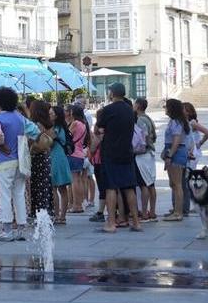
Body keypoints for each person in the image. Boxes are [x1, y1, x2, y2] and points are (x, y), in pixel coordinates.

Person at [95, 83, 140, 232]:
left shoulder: (108, 110)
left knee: (111, 187)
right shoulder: (130, 110)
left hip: (110, 152)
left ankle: (111, 223)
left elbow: (98, 128)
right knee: (129, 187)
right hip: (127, 152)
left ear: (112, 94)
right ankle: (136, 222)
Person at [0, 87, 28, 241]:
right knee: (19, 193)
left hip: (5, 161)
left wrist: (2, 145)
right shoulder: (20, 117)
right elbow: (32, 132)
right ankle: (21, 229)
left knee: (5, 195)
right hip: (20, 161)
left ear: (0, 101)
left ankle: (7, 230)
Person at [160, 99, 189, 222]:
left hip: (176, 153)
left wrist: (170, 155)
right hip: (172, 151)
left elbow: (176, 140)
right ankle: (176, 209)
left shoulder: (176, 122)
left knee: (177, 184)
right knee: (173, 183)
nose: (165, 109)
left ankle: (178, 212)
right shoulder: (174, 121)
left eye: (166, 107)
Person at [182, 103, 208, 217]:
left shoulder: (192, 122)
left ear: (188, 111)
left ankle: (193, 203)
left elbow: (207, 132)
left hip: (193, 152)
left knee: (189, 178)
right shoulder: (185, 123)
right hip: (190, 151)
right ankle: (190, 203)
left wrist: (199, 143)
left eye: (183, 109)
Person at [27, 100, 54, 219]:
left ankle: (36, 213)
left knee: (35, 186)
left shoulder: (34, 124)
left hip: (35, 158)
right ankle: (46, 212)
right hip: (45, 157)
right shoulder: (48, 124)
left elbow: (30, 141)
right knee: (44, 186)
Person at [132, 98, 158, 222]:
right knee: (151, 183)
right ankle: (152, 211)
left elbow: (143, 136)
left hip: (143, 154)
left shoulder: (141, 120)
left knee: (144, 184)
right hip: (150, 153)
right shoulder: (149, 118)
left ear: (137, 106)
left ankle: (144, 213)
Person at [49, 105, 73, 224]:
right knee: (62, 189)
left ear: (56, 115)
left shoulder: (56, 128)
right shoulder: (61, 127)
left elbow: (49, 141)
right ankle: (61, 216)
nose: (49, 115)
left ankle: (58, 215)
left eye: (51, 113)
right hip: (60, 158)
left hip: (56, 158)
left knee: (54, 187)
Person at [66, 104, 90, 215]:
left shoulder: (75, 123)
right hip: (80, 153)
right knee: (79, 180)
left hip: (73, 153)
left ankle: (76, 205)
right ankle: (79, 203)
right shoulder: (84, 124)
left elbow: (67, 135)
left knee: (74, 180)